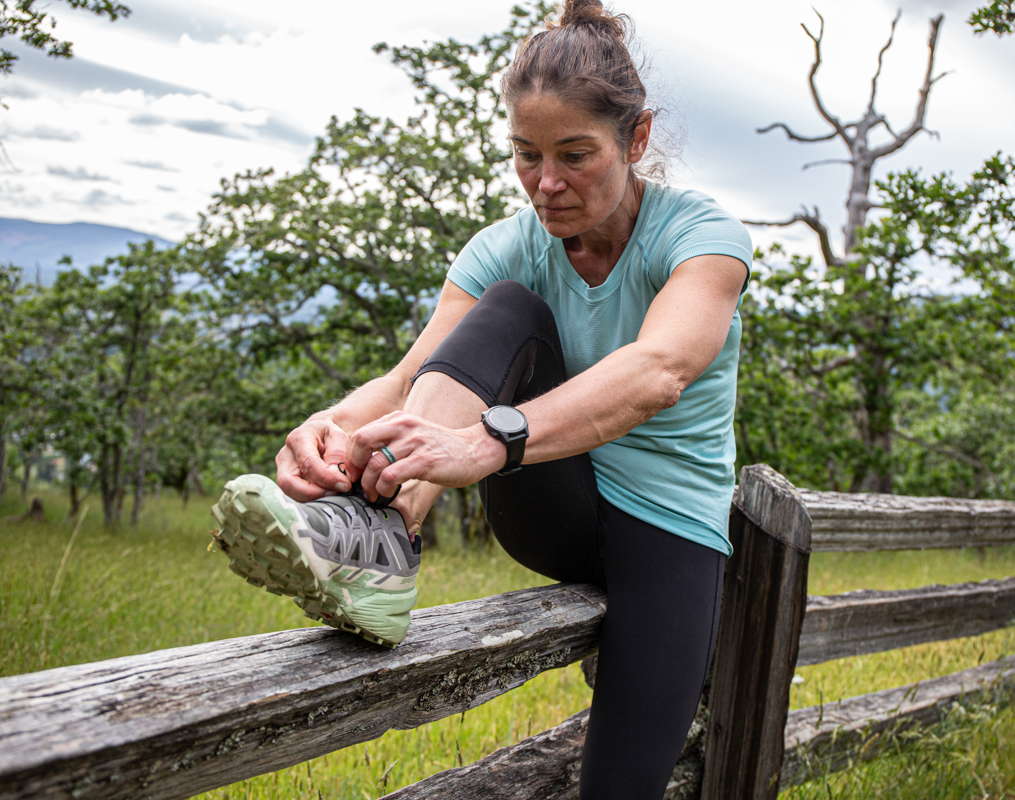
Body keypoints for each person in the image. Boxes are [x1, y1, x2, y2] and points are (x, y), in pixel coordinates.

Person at [209, 1, 752, 796]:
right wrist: (327, 428)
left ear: (636, 140)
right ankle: (379, 535)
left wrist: (491, 441)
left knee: (622, 787)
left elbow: (661, 368)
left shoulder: (700, 237)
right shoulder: (507, 245)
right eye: (525, 155)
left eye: (575, 155)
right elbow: (413, 379)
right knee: (509, 310)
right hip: (556, 504)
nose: (547, 183)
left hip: (669, 528)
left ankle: (385, 526)